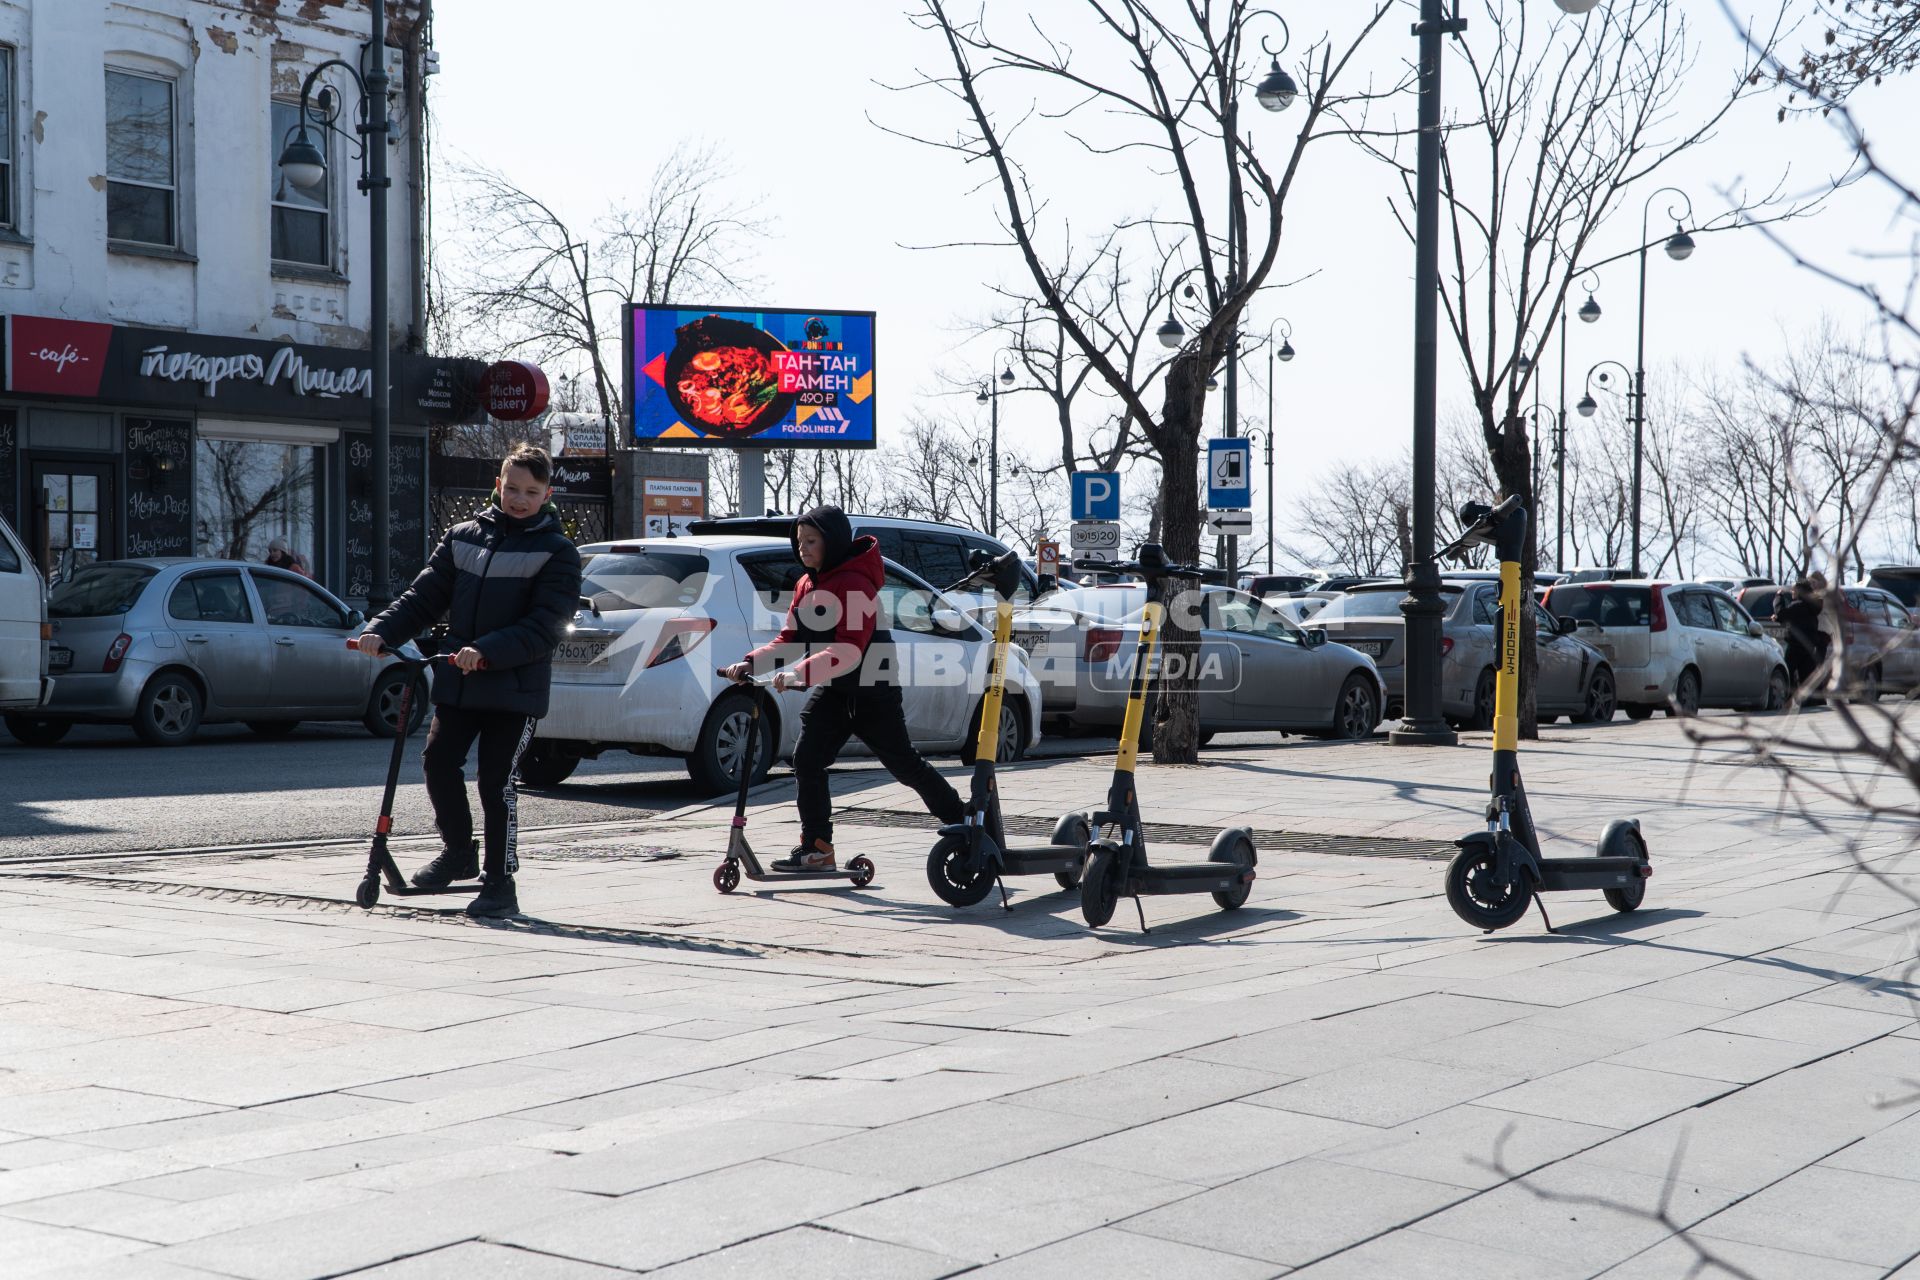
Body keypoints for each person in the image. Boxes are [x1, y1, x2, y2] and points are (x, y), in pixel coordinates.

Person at [353, 443, 581, 918]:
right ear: (498, 485)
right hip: (460, 679)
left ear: (547, 495)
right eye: (512, 488)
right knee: (438, 762)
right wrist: (380, 630)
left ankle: (501, 882)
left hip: (514, 689)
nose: (519, 499)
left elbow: (546, 625)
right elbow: (423, 597)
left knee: (496, 782)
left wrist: (488, 651)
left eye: (531, 492)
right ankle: (458, 852)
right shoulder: (463, 536)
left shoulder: (556, 552)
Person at [719, 505, 963, 870]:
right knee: (807, 759)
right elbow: (790, 639)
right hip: (834, 691)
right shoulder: (807, 583)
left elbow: (849, 648)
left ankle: (968, 824)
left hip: (872, 691)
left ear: (832, 542)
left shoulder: (854, 583)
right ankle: (817, 849)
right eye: (799, 541)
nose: (803, 548)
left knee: (905, 766)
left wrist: (800, 673)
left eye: (812, 541)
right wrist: (751, 663)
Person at [1775, 579, 1827, 694]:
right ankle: (1812, 700)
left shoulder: (1797, 605)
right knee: (1806, 674)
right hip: (1809, 645)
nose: (1792, 592)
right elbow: (1795, 619)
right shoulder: (1812, 606)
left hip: (1795, 645)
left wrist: (1778, 597)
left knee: (1787, 671)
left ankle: (1786, 696)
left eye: (1793, 590)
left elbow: (1781, 614)